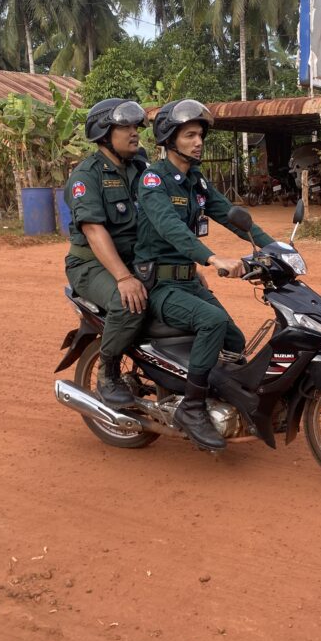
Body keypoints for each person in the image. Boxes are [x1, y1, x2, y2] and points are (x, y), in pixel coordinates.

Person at [135, 99, 275, 451]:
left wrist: (274, 248)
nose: (198, 142)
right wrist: (213, 259)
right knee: (212, 321)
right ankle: (192, 407)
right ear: (170, 139)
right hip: (159, 283)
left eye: (200, 135)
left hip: (187, 280)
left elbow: (229, 214)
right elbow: (170, 228)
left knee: (233, 339)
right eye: (190, 135)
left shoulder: (195, 180)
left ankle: (222, 402)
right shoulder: (153, 180)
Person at [64, 98, 150, 408]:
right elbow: (93, 230)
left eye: (135, 126)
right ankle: (108, 374)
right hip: (91, 265)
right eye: (125, 127)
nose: (134, 132)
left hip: (133, 260)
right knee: (128, 303)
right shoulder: (87, 176)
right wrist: (124, 278)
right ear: (103, 134)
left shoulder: (141, 168)